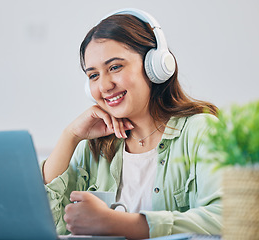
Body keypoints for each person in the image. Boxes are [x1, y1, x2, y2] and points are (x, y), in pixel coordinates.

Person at [42, 8, 222, 239]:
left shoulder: (201, 130)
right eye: (93, 75)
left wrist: (119, 223)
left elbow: (223, 219)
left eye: (115, 67)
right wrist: (70, 136)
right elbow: (47, 225)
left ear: (154, 66)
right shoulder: (92, 147)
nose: (105, 86)